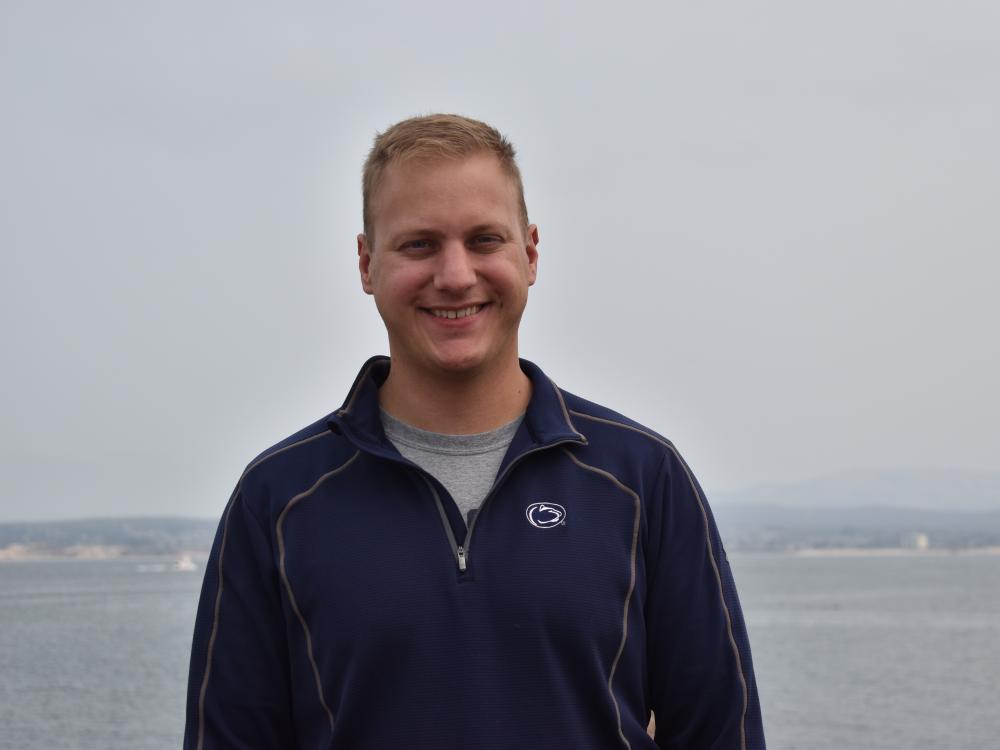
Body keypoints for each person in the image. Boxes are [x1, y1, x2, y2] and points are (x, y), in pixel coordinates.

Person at [185, 114, 765, 749]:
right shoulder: (279, 499)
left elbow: (722, 734)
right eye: (419, 245)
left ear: (531, 252)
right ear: (366, 263)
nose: (456, 275)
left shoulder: (642, 479)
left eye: (485, 240)